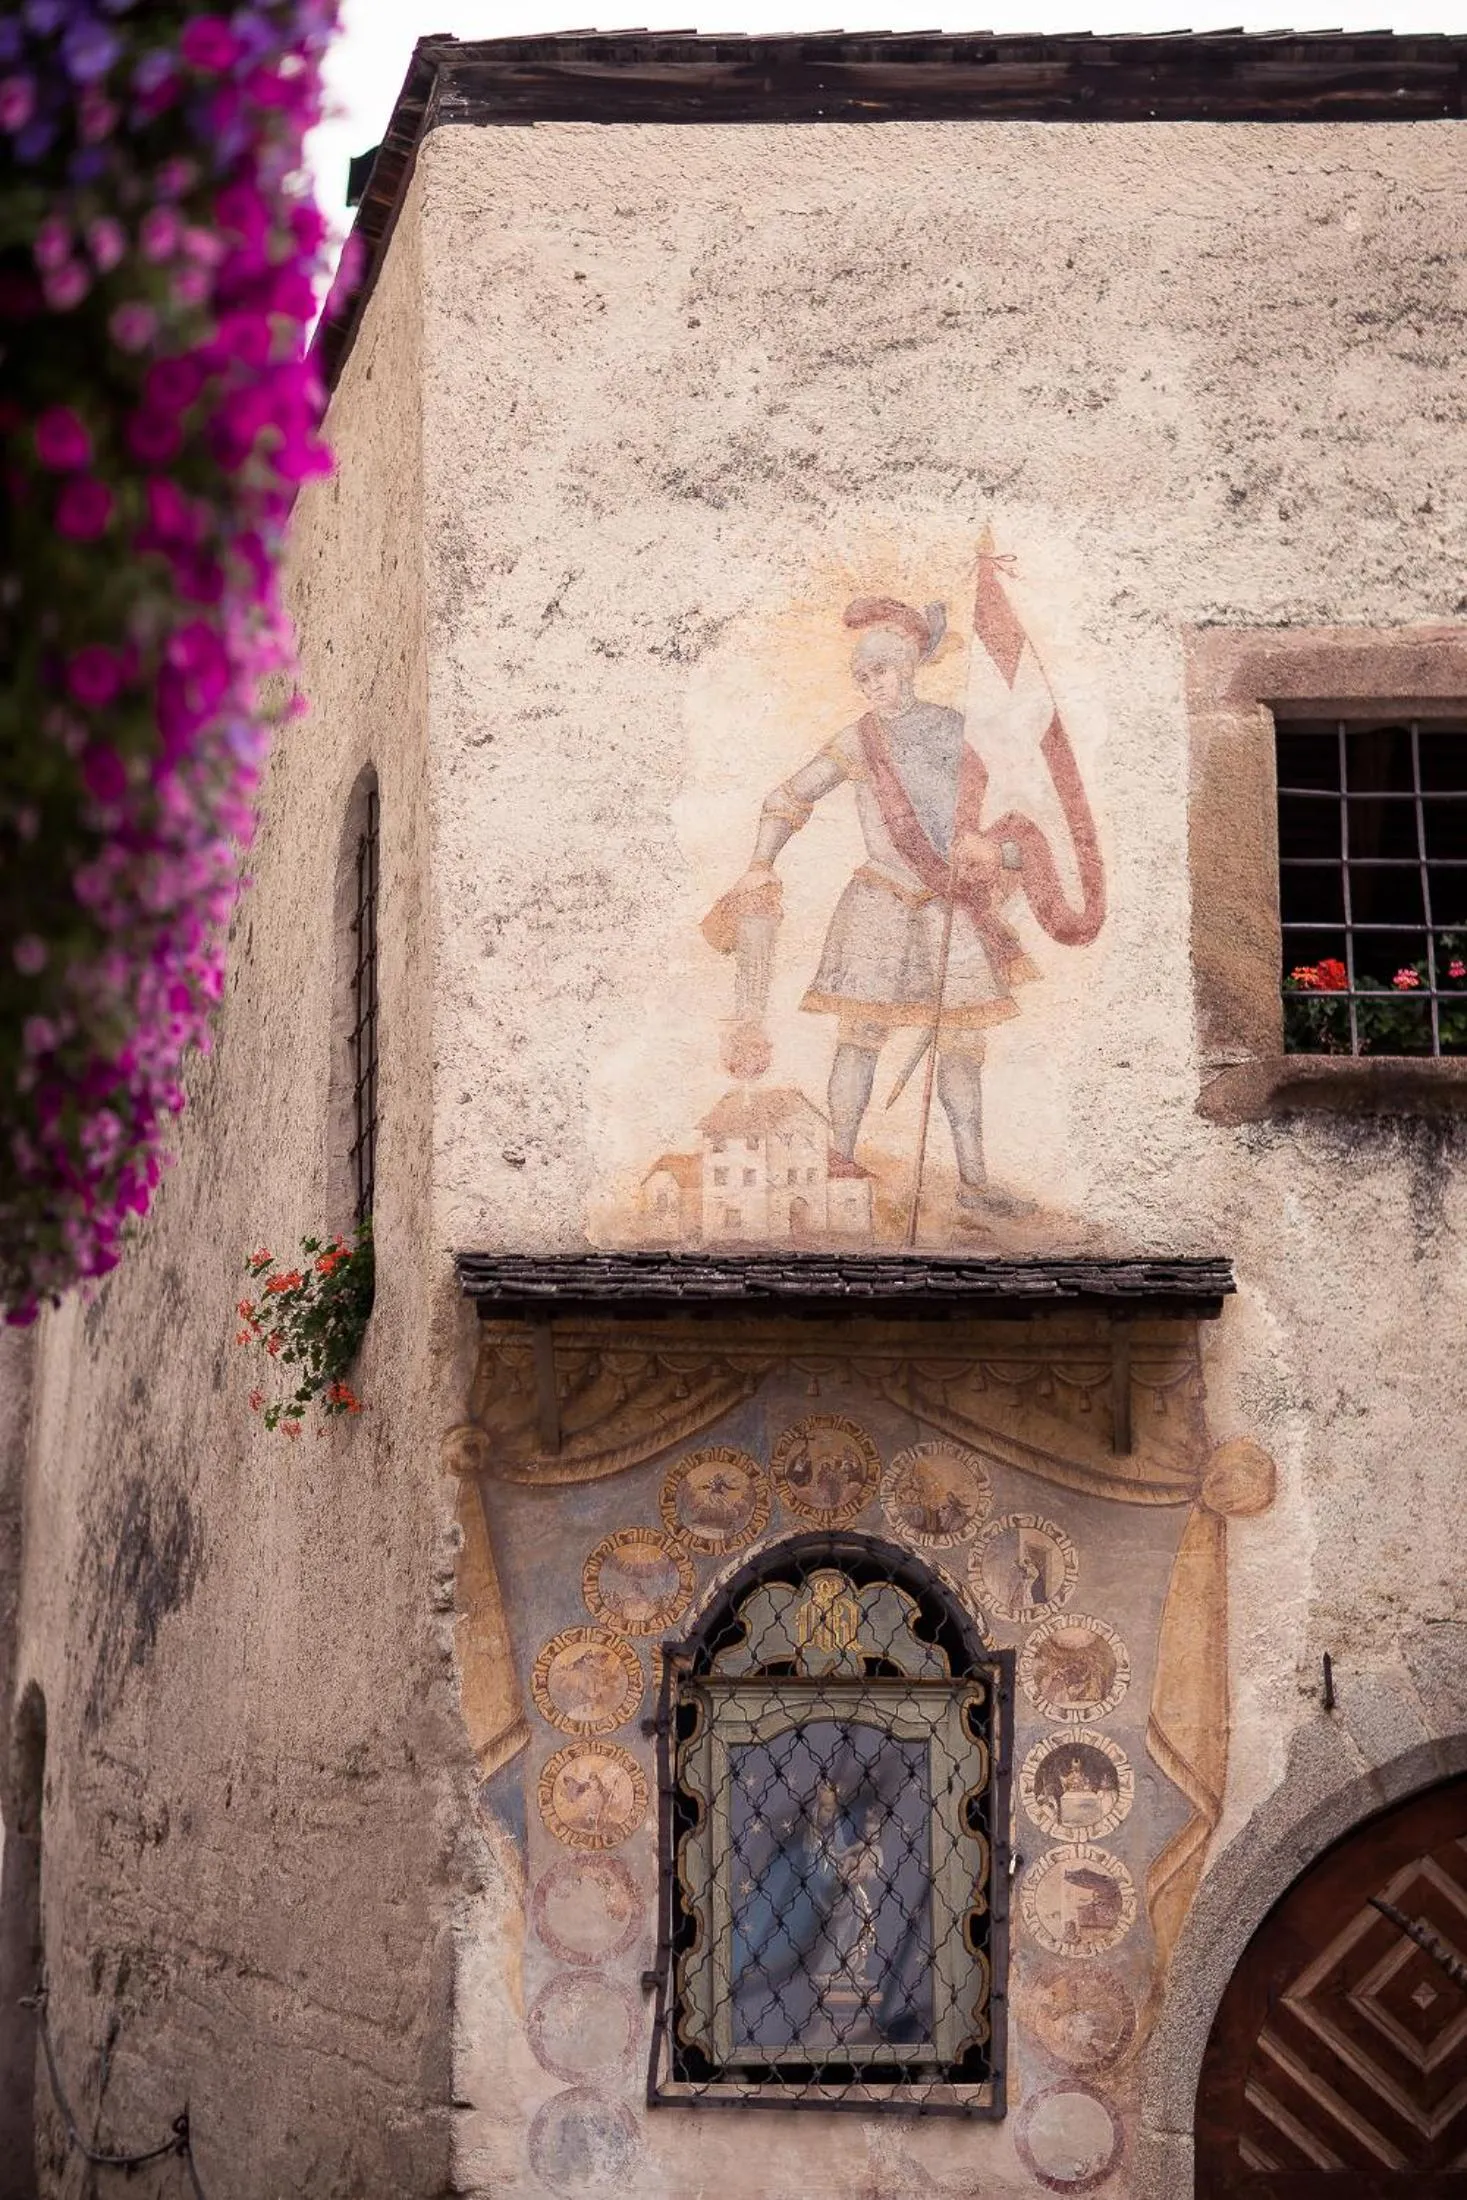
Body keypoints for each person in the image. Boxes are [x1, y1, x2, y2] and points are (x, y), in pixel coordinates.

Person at [706, 596, 1040, 1220]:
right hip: (881, 900)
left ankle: (973, 1180)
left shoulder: (957, 728)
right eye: (862, 677)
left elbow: (1016, 814)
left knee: (962, 1044)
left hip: (948, 906)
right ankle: (839, 1158)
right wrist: (761, 861)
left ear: (908, 668)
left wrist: (995, 849)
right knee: (860, 1036)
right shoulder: (857, 740)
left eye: (880, 672)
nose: (871, 685)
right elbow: (788, 797)